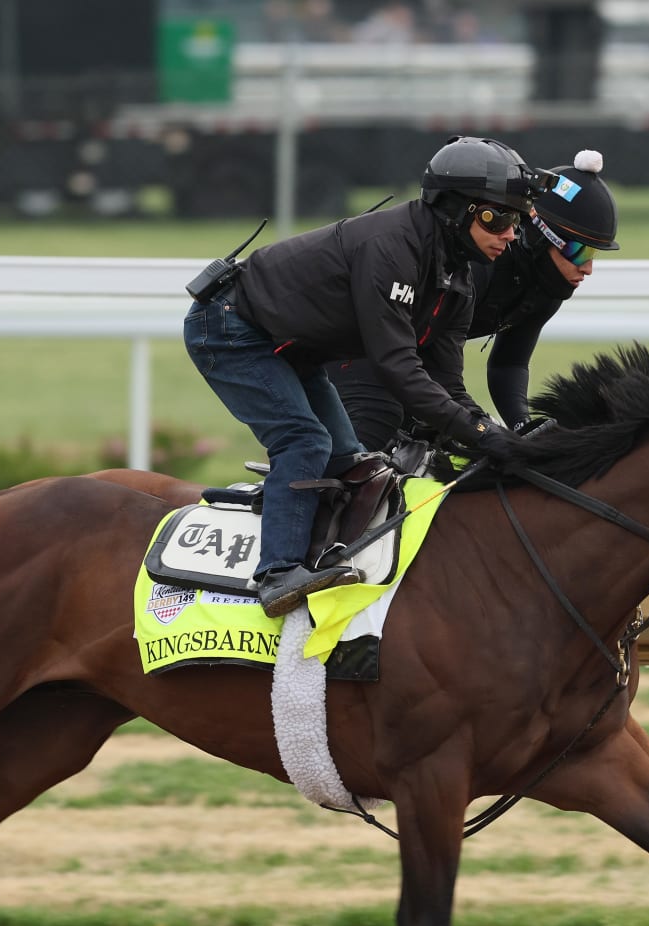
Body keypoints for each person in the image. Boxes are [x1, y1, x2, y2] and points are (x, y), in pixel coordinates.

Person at [183, 135, 538, 617]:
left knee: (351, 459)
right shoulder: (391, 249)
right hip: (230, 328)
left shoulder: (458, 278)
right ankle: (277, 575)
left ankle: (295, 533)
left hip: (291, 344)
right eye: (498, 218)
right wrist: (483, 436)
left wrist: (488, 434)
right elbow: (398, 369)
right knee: (305, 442)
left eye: (517, 221)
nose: (511, 234)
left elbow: (447, 386)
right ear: (455, 209)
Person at [337, 150, 619, 452]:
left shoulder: (549, 284)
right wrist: (482, 430)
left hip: (407, 355)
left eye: (593, 254)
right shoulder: (480, 265)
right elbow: (426, 367)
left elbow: (508, 364)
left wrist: (522, 428)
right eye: (580, 252)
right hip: (356, 339)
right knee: (381, 420)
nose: (587, 268)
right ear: (541, 237)